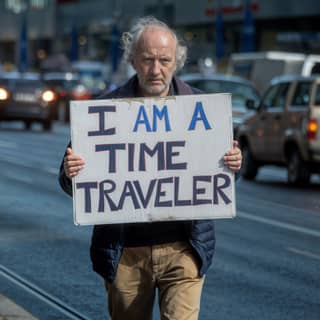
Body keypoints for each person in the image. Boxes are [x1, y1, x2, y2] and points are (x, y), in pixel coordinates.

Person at [59, 16, 242, 320]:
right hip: (126, 253)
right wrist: (71, 172)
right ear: (132, 60)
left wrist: (234, 165)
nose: (156, 70)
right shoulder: (104, 111)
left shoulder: (203, 109)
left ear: (177, 61)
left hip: (184, 249)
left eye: (164, 60)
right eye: (147, 60)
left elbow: (218, 177)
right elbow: (70, 184)